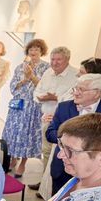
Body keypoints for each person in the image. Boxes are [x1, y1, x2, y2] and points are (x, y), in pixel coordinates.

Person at [45, 74, 101, 196]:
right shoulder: (64, 107)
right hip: (63, 167)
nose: (76, 93)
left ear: (97, 93)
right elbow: (50, 133)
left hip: (94, 171)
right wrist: (67, 143)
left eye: (81, 90)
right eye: (76, 88)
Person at [2, 38, 50, 178]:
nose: (33, 51)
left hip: (33, 106)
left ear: (42, 51)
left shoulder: (46, 68)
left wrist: (32, 77)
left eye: (37, 49)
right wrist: (25, 79)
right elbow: (12, 87)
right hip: (18, 104)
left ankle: (23, 162)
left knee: (26, 135)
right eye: (31, 49)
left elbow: (44, 88)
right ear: (28, 51)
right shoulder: (20, 66)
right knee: (13, 132)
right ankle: (12, 159)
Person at [33, 46, 77, 186]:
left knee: (62, 155)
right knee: (45, 151)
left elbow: (72, 99)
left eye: (59, 59)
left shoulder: (75, 75)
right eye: (52, 59)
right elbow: (37, 92)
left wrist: (55, 98)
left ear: (67, 60)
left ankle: (57, 185)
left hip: (65, 121)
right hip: (46, 118)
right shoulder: (47, 73)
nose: (54, 62)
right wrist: (42, 98)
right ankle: (44, 184)